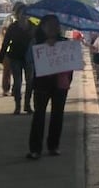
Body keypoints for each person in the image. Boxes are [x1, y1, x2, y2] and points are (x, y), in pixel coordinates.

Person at [26, 15, 73, 159]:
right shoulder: (36, 42)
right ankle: (35, 149)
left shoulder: (65, 43)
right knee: (39, 115)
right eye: (50, 25)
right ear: (43, 27)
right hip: (42, 84)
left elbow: (72, 62)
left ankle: (53, 146)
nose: (53, 28)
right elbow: (28, 59)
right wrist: (45, 46)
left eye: (56, 25)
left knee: (57, 115)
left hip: (60, 84)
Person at [0, 2, 35, 114]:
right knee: (18, 82)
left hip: (29, 58)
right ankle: (17, 105)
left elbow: (40, 40)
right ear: (17, 14)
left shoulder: (33, 26)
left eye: (26, 13)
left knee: (30, 82)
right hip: (15, 57)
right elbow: (6, 43)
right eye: (21, 13)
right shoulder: (13, 27)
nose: (24, 15)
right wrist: (0, 57)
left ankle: (27, 105)